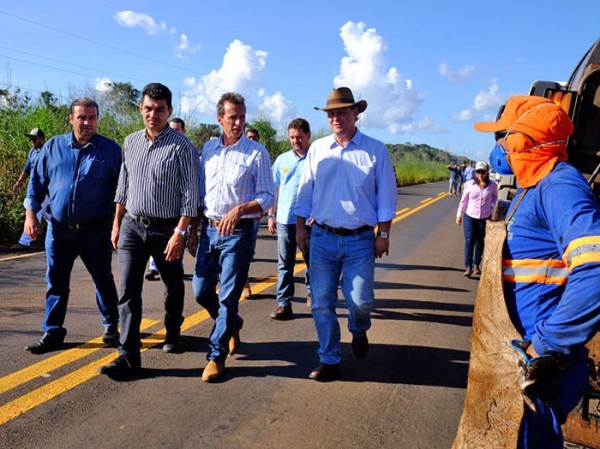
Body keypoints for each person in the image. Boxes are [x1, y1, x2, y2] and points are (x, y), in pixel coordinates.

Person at [454, 95, 600, 448]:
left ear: (523, 141)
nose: (499, 146)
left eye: (503, 136)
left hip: (539, 368)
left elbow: (595, 270)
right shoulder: (532, 186)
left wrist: (543, 347)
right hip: (518, 356)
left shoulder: (559, 186)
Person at [295, 87, 397, 381]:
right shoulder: (318, 149)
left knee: (361, 301)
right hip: (323, 238)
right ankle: (329, 358)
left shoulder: (375, 150)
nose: (336, 118)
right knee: (322, 301)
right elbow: (305, 192)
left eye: (342, 111)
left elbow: (387, 196)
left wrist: (384, 234)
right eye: (331, 114)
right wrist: (301, 228)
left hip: (360, 240)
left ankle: (359, 329)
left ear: (355, 113)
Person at [98, 83, 200, 378]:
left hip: (166, 229)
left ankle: (173, 331)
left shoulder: (182, 147)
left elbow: (191, 196)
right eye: (148, 108)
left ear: (169, 111)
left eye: (159, 109)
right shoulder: (130, 142)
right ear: (140, 109)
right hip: (132, 224)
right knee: (128, 290)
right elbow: (123, 187)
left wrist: (181, 233)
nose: (153, 114)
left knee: (172, 285)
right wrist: (117, 223)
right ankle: (128, 355)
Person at [23, 99, 121, 354]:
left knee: (102, 278)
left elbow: (122, 191)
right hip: (59, 229)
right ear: (71, 118)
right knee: (55, 280)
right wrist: (30, 215)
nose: (87, 123)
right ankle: (53, 331)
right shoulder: (53, 146)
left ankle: (111, 325)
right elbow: (36, 183)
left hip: (95, 229)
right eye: (82, 117)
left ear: (97, 119)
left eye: (92, 117)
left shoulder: (110, 151)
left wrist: (117, 224)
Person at [190, 92, 275, 382]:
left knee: (227, 297)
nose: (238, 123)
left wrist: (239, 210)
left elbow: (266, 196)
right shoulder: (209, 149)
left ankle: (216, 356)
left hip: (239, 232)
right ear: (219, 119)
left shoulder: (256, 152)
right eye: (232, 117)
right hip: (209, 230)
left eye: (241, 117)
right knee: (201, 291)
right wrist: (193, 229)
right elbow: (202, 192)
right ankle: (232, 323)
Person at [267, 118, 312, 320]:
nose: (296, 141)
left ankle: (313, 296)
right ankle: (283, 304)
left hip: (310, 222)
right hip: (285, 220)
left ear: (308, 136)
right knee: (285, 264)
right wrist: (271, 215)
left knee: (312, 262)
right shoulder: (282, 160)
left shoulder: (316, 159)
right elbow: (273, 189)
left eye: (300, 137)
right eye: (292, 137)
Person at [145, 117, 189, 281]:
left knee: (175, 244)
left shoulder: (188, 152)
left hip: (177, 212)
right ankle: (153, 267)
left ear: (183, 132)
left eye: (177, 130)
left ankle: (176, 266)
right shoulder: (156, 150)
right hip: (156, 210)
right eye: (171, 129)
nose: (173, 133)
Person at [455, 161, 498, 277]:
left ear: (486, 172)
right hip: (470, 216)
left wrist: (491, 206)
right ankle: (468, 266)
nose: (480, 174)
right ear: (475, 172)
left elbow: (494, 197)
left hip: (484, 217)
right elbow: (464, 201)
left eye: (483, 172)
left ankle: (476, 265)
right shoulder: (469, 184)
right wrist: (459, 215)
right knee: (470, 240)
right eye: (478, 172)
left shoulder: (492, 185)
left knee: (480, 242)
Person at [12, 128, 51, 249]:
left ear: (41, 139)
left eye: (34, 139)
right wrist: (19, 183)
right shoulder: (32, 152)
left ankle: (24, 242)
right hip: (35, 188)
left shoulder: (49, 152)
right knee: (51, 216)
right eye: (31, 139)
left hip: (45, 189)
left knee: (33, 212)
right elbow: (26, 169)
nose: (32, 142)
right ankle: (61, 237)